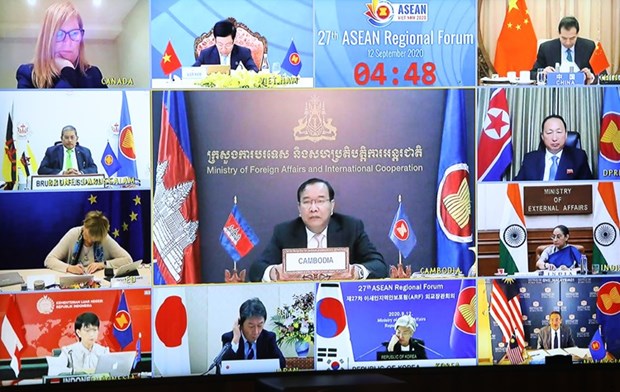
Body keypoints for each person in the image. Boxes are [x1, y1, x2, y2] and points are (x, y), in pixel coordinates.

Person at [249, 178, 388, 282]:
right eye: (307, 202)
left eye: (320, 201)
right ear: (299, 208)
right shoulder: (285, 232)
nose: (313, 208)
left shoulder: (351, 227)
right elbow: (256, 269)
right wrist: (274, 273)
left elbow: (379, 265)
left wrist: (356, 272)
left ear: (332, 206)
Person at [16, 2, 107, 88]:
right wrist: (67, 70)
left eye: (74, 34)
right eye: (59, 34)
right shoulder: (28, 75)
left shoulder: (93, 74)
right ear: (46, 39)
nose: (68, 42)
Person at [44, 210, 132, 274]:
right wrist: (69, 268)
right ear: (84, 225)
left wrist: (102, 264)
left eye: (94, 240)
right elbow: (49, 260)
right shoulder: (73, 234)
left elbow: (128, 260)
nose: (89, 241)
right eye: (87, 236)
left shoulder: (104, 238)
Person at [514, 115, 593, 181]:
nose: (554, 138)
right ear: (542, 137)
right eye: (549, 132)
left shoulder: (578, 158)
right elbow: (516, 187)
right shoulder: (530, 159)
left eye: (559, 132)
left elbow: (588, 190)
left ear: (566, 135)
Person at [220, 298, 286, 369]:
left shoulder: (268, 338)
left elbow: (281, 364)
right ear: (241, 324)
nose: (256, 331)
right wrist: (235, 340)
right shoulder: (229, 338)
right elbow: (222, 368)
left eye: (260, 325)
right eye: (251, 326)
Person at [530, 16, 598, 84]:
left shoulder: (589, 47)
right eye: (564, 38)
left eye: (572, 38)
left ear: (577, 34)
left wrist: (591, 75)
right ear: (559, 34)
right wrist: (543, 73)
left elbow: (602, 75)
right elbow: (532, 74)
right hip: (555, 92)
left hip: (581, 92)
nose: (568, 42)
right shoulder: (546, 48)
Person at [192, 19, 259, 72]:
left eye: (228, 45)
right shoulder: (206, 54)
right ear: (215, 41)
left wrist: (249, 73)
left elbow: (254, 69)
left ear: (233, 41)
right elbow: (193, 70)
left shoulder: (244, 52)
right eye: (220, 45)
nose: (224, 49)